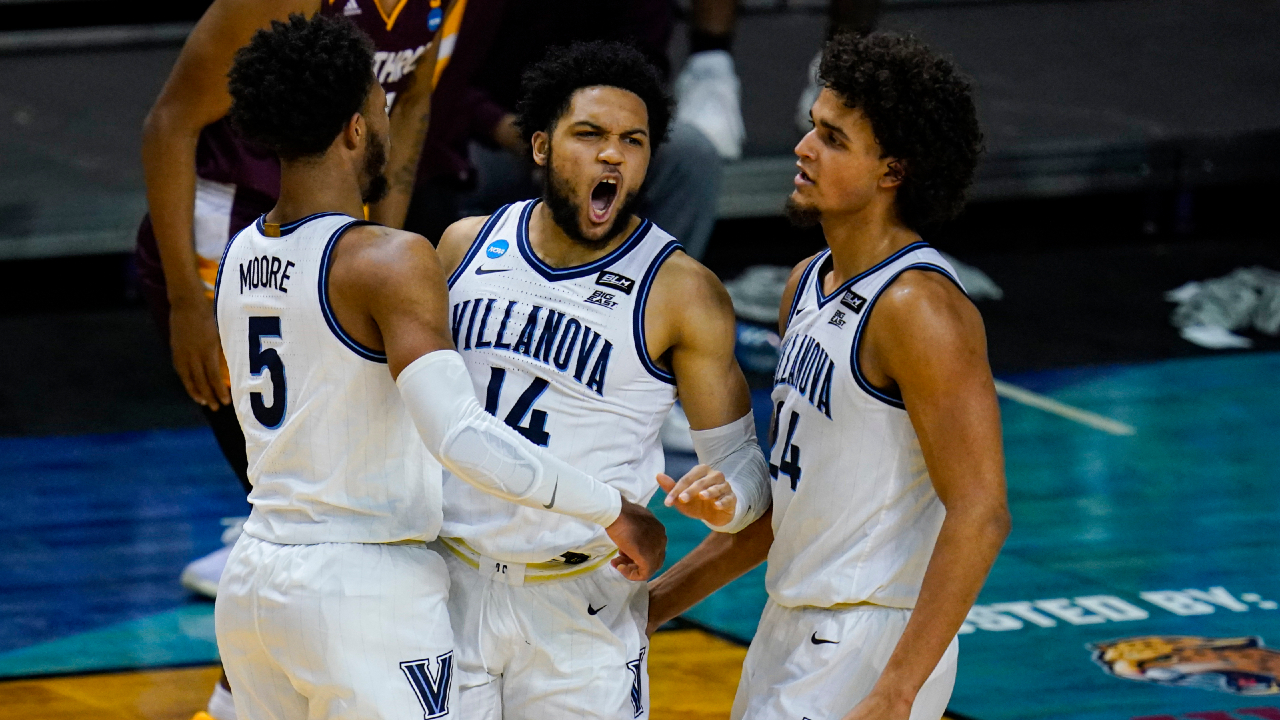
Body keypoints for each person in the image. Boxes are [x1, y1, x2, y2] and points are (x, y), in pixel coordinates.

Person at [212, 16, 666, 720]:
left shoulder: (241, 253)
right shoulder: (389, 259)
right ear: (356, 129)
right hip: (364, 587)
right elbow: (460, 437)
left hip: (253, 582)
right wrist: (612, 509)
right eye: (377, 105)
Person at [648, 32, 1010, 720]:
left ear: (892, 172)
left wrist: (896, 691)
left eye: (834, 138)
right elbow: (787, 510)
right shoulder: (806, 283)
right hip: (793, 622)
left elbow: (981, 512)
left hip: (868, 638)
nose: (803, 148)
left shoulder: (919, 308)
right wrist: (653, 605)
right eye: (814, 127)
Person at [433, 41, 771, 720]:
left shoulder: (682, 292)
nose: (612, 155)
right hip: (448, 584)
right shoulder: (463, 246)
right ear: (539, 146)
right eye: (589, 135)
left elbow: (748, 484)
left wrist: (722, 500)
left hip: (582, 597)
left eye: (633, 141)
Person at [137, 0, 463, 600]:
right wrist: (186, 300)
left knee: (331, 477)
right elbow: (169, 124)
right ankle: (267, 557)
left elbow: (411, 103)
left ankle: (269, 563)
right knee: (292, 478)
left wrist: (381, 242)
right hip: (228, 246)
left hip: (330, 243)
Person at [406, 0, 725, 261]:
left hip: (598, 128)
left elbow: (644, 76)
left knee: (691, 154)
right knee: (428, 163)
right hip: (493, 136)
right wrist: (508, 129)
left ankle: (650, 302)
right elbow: (441, 79)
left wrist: (589, 135)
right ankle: (448, 303)